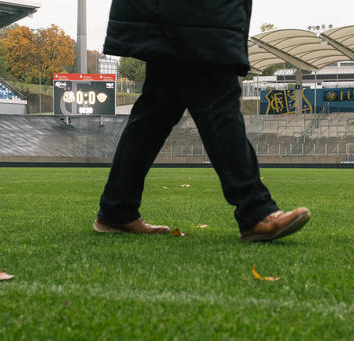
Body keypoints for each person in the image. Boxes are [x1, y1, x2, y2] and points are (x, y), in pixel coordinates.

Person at [93, 0, 310, 242]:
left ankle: (117, 208)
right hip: (195, 16)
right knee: (217, 100)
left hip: (176, 16)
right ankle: (256, 211)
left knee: (157, 109)